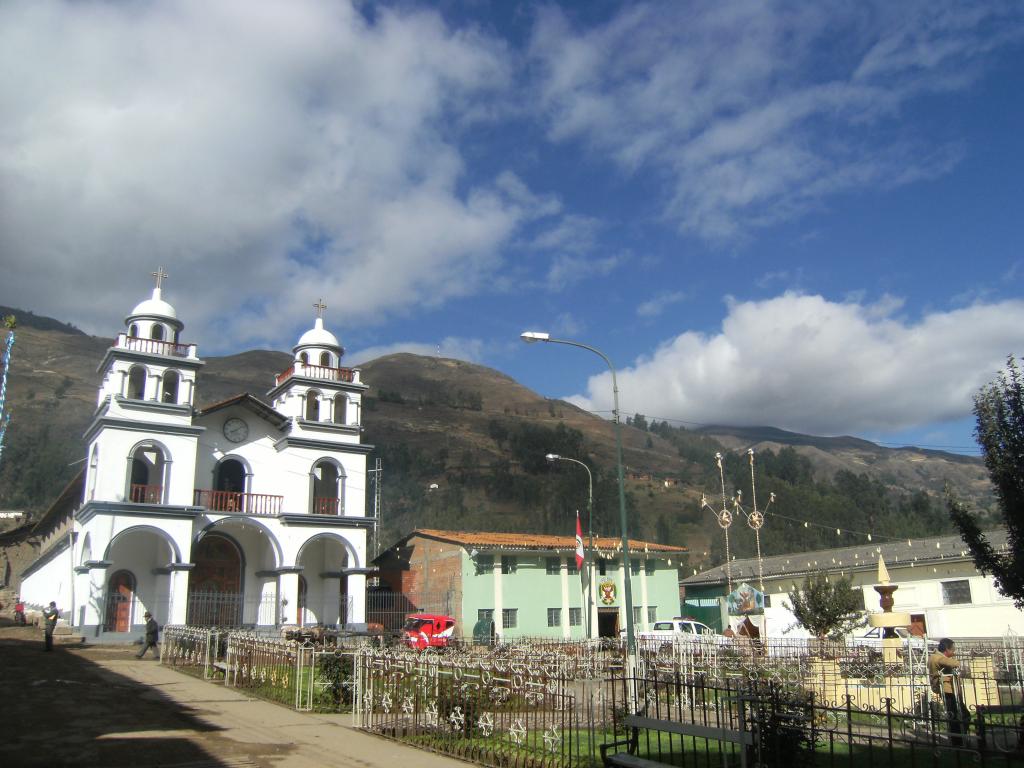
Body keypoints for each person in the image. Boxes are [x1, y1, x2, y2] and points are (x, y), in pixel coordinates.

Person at [929, 637, 966, 746]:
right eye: (952, 650)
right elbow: (953, 663)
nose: (953, 652)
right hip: (947, 690)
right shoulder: (938, 657)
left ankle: (959, 738)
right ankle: (957, 741)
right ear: (946, 649)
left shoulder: (935, 656)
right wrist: (956, 662)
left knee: (956, 714)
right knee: (954, 715)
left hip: (947, 689)